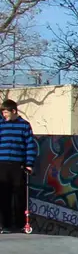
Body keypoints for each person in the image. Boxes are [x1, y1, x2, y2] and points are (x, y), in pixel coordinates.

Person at [0, 99, 37, 234]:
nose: (4, 115)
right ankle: (4, 225)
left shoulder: (24, 125)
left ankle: (20, 224)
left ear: (14, 111)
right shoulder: (1, 125)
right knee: (3, 196)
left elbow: (30, 145)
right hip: (2, 164)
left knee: (19, 196)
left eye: (6, 112)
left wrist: (29, 164)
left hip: (18, 165)